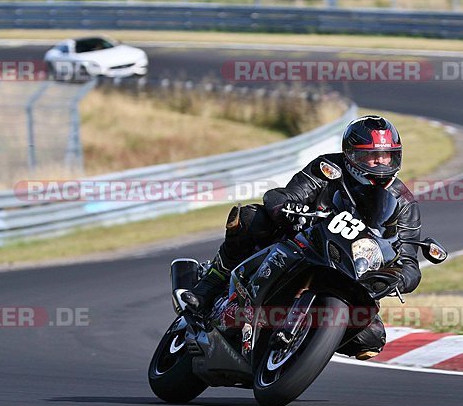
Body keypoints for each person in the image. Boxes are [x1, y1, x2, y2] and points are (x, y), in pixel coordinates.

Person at [181, 115, 422, 360]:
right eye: (371, 155)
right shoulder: (328, 169)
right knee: (252, 218)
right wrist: (286, 208)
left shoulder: (404, 201)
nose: (380, 163)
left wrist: (399, 278)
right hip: (304, 241)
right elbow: (285, 195)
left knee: (370, 338)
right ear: (351, 154)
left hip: (351, 270)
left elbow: (410, 262)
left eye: (387, 155)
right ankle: (210, 283)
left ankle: (300, 351)